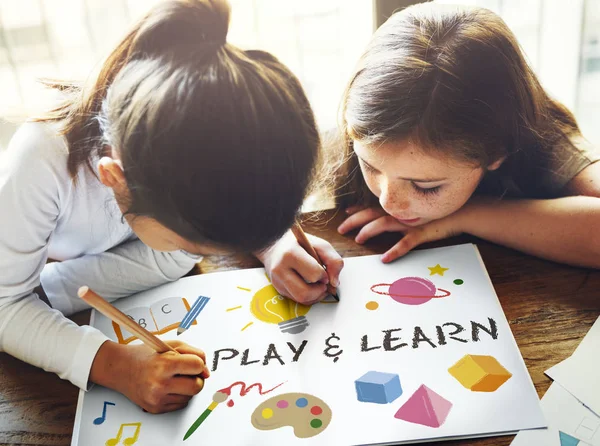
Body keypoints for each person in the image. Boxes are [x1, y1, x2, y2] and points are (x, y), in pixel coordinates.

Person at [0, 0, 340, 414]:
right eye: (201, 245)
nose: (214, 252)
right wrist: (116, 365)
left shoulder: (218, 117)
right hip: (20, 271)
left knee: (173, 259)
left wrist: (271, 242)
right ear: (114, 179)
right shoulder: (41, 160)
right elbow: (5, 305)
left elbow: (229, 181)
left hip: (79, 270)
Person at [331, 3, 600, 268]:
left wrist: (468, 215)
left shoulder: (548, 143)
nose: (389, 202)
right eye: (370, 166)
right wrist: (286, 245)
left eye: (426, 186)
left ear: (497, 151)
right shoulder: (352, 130)